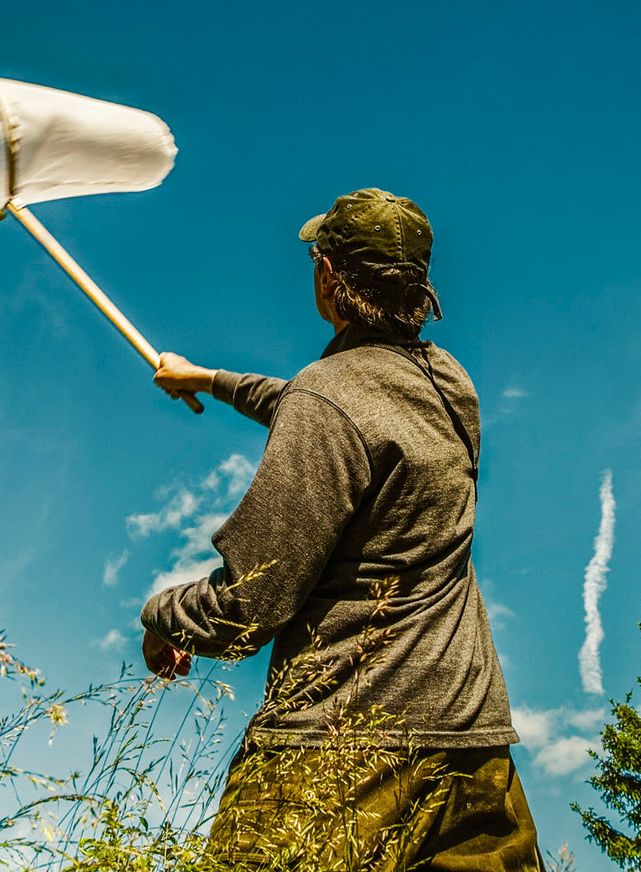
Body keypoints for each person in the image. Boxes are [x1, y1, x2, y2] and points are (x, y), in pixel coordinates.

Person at [141, 188, 542, 870]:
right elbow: (323, 405)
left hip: (338, 751)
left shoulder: (326, 399)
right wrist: (208, 379)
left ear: (328, 274)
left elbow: (251, 607)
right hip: (471, 751)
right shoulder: (451, 386)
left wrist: (163, 617)